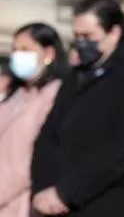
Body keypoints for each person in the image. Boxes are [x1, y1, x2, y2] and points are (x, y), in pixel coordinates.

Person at [31, 0, 124, 217]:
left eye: (88, 36)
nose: (81, 43)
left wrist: (67, 193)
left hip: (106, 203)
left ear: (114, 33)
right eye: (77, 36)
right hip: (55, 203)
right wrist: (42, 189)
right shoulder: (76, 77)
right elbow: (47, 136)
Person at [0, 23, 71, 217]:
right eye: (15, 50)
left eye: (26, 50)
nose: (17, 56)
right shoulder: (16, 94)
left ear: (48, 53)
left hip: (21, 203)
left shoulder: (55, 96)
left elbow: (31, 160)